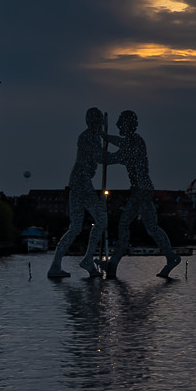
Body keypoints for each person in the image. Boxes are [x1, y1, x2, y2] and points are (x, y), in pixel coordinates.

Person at [105, 109, 180, 279]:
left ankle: (114, 262)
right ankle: (171, 257)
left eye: (120, 123)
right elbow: (112, 156)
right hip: (140, 189)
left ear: (128, 125)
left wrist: (103, 136)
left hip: (141, 190)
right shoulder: (130, 143)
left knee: (125, 224)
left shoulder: (135, 142)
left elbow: (112, 156)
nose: (118, 126)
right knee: (151, 227)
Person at [46, 108, 116, 279]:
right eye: (96, 122)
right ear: (92, 122)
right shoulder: (89, 137)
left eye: (99, 122)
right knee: (101, 218)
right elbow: (101, 158)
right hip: (82, 183)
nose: (98, 125)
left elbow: (100, 156)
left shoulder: (90, 136)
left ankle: (56, 265)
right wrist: (121, 156)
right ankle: (87, 259)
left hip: (77, 183)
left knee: (75, 227)